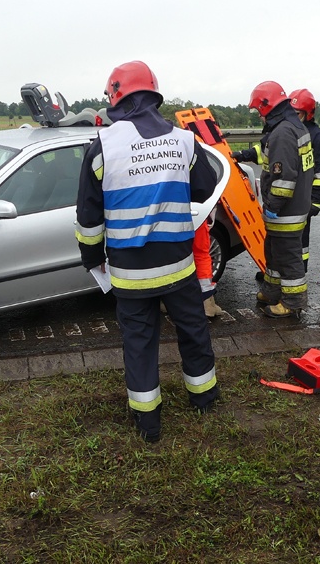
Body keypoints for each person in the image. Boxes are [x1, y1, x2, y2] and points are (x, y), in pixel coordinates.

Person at [75, 61, 219, 442]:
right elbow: (204, 190)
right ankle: (204, 398)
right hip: (179, 267)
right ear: (154, 95)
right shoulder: (184, 141)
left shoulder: (101, 147)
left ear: (115, 97)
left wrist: (92, 260)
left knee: (139, 343)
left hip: (130, 274)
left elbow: (89, 221)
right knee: (193, 331)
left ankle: (148, 422)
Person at [231, 81, 314, 318]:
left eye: (258, 110)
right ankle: (271, 290)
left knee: (287, 256)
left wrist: (273, 207)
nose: (258, 115)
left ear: (267, 106)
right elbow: (271, 156)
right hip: (293, 206)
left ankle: (293, 301)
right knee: (274, 252)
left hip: (286, 209)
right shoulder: (292, 127)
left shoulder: (283, 133)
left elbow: (284, 178)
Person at [288, 88, 320, 271]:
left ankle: (299, 270)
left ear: (308, 113)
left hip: (304, 198)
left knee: (300, 239)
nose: (292, 116)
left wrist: (315, 201)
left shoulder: (317, 137)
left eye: (296, 113)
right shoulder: (289, 130)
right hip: (287, 195)